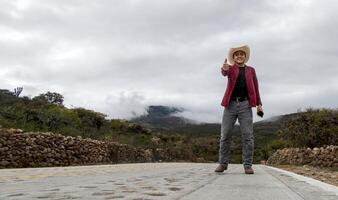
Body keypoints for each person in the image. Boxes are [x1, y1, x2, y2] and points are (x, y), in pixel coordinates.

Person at [215, 45, 263, 174]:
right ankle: (223, 164)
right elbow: (225, 72)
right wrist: (224, 69)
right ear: (234, 57)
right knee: (225, 135)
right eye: (237, 54)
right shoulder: (230, 69)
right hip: (230, 105)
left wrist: (259, 103)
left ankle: (248, 165)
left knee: (248, 136)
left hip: (245, 105)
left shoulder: (251, 70)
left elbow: (256, 87)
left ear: (245, 56)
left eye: (242, 54)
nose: (240, 56)